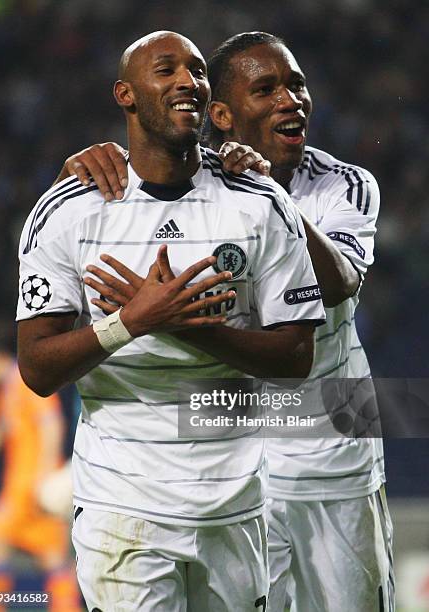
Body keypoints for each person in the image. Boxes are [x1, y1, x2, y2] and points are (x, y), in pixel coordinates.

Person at [60, 31, 394, 612]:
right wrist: (90, 164)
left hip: (334, 452)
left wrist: (270, 194)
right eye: (267, 89)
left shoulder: (343, 183)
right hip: (236, 463)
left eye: (297, 85)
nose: (292, 100)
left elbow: (340, 283)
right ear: (222, 113)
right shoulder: (200, 186)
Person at [0, 353, 81, 612]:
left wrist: (43, 479)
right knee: (48, 556)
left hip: (33, 487)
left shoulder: (24, 379)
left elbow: (51, 424)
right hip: (17, 487)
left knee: (49, 557)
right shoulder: (6, 388)